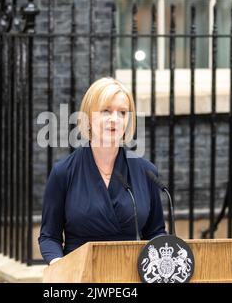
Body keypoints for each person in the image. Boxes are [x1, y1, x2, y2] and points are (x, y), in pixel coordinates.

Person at [38, 77, 166, 265]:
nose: (115, 119)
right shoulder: (64, 172)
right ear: (88, 117)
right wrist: (60, 267)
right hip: (82, 276)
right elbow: (49, 237)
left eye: (122, 112)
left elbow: (156, 233)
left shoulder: (146, 172)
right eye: (106, 111)